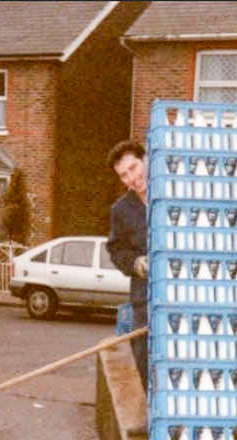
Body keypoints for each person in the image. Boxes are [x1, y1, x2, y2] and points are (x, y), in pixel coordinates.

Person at [106, 139, 149, 393]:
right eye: (124, 175)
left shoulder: (173, 193)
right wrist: (135, 263)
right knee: (143, 358)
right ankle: (151, 416)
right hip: (144, 298)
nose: (132, 178)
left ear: (144, 160)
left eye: (134, 168)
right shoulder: (121, 210)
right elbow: (116, 249)